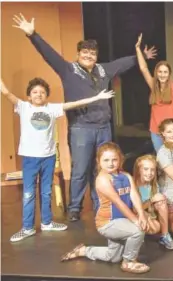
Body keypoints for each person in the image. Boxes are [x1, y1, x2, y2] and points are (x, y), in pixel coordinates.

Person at [13, 14, 157, 222]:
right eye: (85, 52)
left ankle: (100, 202)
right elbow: (49, 55)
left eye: (92, 53)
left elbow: (123, 63)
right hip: (81, 128)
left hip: (103, 127)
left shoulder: (103, 70)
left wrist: (140, 56)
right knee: (80, 170)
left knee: (103, 168)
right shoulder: (68, 70)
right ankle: (74, 208)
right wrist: (32, 34)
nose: (89, 56)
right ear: (78, 54)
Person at [2, 78, 114, 242]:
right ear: (29, 96)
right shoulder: (24, 107)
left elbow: (75, 104)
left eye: (42, 92)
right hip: (30, 157)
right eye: (35, 92)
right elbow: (6, 93)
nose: (38, 95)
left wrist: (97, 97)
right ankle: (27, 228)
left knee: (46, 192)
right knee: (28, 193)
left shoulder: (52, 108)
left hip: (48, 157)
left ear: (46, 95)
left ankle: (47, 222)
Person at [60, 142, 151, 274]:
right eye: (106, 160)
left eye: (114, 159)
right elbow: (118, 202)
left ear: (120, 159)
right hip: (108, 223)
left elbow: (134, 196)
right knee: (137, 230)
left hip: (121, 221)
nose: (111, 163)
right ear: (99, 161)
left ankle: (83, 251)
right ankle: (129, 262)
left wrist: (142, 215)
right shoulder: (102, 179)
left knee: (113, 257)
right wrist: (136, 221)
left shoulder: (126, 176)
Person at [132, 154, 173, 250]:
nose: (150, 173)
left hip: (148, 213)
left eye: (152, 170)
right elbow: (134, 210)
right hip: (134, 215)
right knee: (154, 227)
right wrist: (151, 200)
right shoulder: (133, 185)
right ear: (139, 170)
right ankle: (136, 235)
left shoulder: (153, 184)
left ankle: (165, 235)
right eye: (146, 169)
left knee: (161, 203)